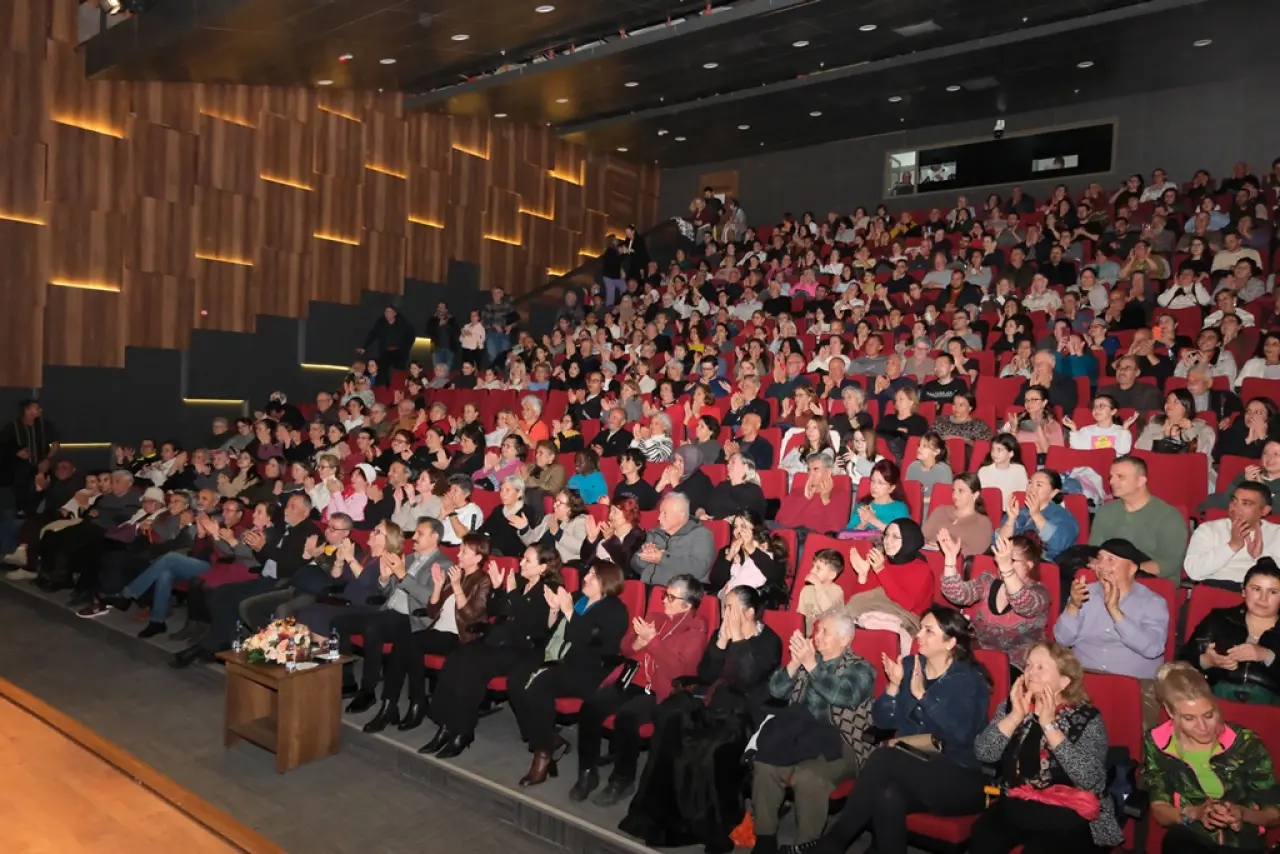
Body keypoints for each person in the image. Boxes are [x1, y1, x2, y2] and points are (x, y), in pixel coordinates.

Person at [809, 608, 992, 854]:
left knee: (885, 757)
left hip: (959, 776)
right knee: (888, 794)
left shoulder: (969, 680)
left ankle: (833, 842)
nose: (918, 635)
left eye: (928, 631)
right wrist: (893, 687)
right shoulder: (910, 665)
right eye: (921, 628)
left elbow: (962, 735)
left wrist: (923, 697)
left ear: (950, 643)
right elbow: (883, 722)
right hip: (911, 766)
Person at [617, 586, 782, 851]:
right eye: (725, 606)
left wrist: (739, 641)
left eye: (731, 607)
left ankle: (711, 823)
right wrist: (720, 643)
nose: (725, 612)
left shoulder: (769, 641)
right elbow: (705, 675)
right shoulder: (722, 632)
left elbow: (749, 679)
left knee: (710, 748)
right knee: (671, 720)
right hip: (714, 704)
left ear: (749, 612)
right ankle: (660, 813)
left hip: (744, 712)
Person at [969, 643, 1122, 853]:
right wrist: (1014, 717)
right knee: (983, 836)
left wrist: (1049, 726)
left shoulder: (1086, 718)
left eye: (1041, 667)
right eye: (1029, 665)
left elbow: (1090, 780)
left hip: (1070, 812)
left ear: (1064, 681)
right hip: (1020, 803)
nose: (1031, 672)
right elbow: (984, 753)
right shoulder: (1013, 705)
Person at [569, 575, 708, 806]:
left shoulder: (694, 632)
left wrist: (652, 642)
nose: (664, 600)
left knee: (627, 717)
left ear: (687, 605)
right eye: (665, 594)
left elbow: (676, 670)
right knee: (591, 706)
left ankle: (622, 780)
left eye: (671, 597)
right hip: (631, 680)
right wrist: (637, 644)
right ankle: (587, 772)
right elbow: (624, 647)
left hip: (660, 690)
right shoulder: (655, 618)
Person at [418, 544, 560, 759]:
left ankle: (463, 732)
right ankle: (446, 725)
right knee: (456, 658)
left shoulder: (551, 590)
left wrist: (512, 593)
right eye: (522, 558)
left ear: (543, 567)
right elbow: (495, 611)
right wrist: (497, 589)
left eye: (527, 560)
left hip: (522, 649)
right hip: (498, 640)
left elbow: (534, 626)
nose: (521, 563)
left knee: (473, 668)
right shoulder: (519, 581)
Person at [750, 611, 877, 853]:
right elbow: (775, 691)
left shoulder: (861, 668)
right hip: (801, 735)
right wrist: (794, 663)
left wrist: (811, 665)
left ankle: (806, 845)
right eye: (817, 630)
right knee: (765, 764)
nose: (817, 636)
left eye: (825, 632)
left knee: (809, 778)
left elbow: (844, 696)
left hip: (842, 741)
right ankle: (765, 837)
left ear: (845, 639)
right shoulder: (809, 660)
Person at [508, 560, 629, 786]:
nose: (586, 578)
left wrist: (568, 611)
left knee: (539, 684)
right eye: (588, 573)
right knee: (516, 679)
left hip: (588, 669)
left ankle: (543, 755)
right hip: (558, 657)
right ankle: (548, 738)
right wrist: (555, 610)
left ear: (607, 582)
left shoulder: (615, 610)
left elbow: (589, 640)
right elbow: (551, 630)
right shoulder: (578, 598)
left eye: (593, 576)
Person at [1144, 662, 1280, 853]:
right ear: (1170, 711)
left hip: (1241, 841)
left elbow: (1274, 814)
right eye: (1189, 718)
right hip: (1190, 838)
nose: (1202, 727)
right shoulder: (1158, 742)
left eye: (1208, 715)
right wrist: (1194, 813)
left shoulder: (1244, 742)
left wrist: (1243, 814)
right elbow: (1159, 808)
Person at [1055, 539, 1169, 722]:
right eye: (1100, 559)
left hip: (1134, 686)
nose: (1102, 566)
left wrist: (1115, 611)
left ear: (1132, 569)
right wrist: (1073, 607)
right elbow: (1062, 640)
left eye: (1111, 559)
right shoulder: (1083, 593)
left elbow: (1153, 648)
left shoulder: (1152, 602)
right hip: (1084, 680)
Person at [1180, 557, 1280, 704]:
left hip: (1272, 704)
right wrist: (1207, 661)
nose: (1263, 599)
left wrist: (1266, 656)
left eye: (1273, 592)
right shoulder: (1220, 618)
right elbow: (1181, 661)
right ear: (1244, 591)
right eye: (1256, 589)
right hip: (1217, 699)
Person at [1090, 456, 1188, 582]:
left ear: (1140, 481)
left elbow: (1167, 565)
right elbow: (1093, 552)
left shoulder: (1169, 517)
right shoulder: (1105, 511)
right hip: (1109, 578)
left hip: (1152, 583)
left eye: (1120, 477)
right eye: (1111, 477)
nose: (1112, 482)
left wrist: (1125, 571)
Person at [1185, 483, 1280, 588]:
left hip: (1262, 591)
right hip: (1218, 588)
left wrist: (1260, 557)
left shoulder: (1277, 533)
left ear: (1265, 510)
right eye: (1234, 500)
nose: (1235, 508)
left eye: (1246, 503)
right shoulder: (1209, 529)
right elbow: (1193, 572)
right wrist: (1232, 546)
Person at [996, 469, 1079, 562]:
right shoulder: (1017, 511)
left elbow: (1059, 544)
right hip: (1009, 561)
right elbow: (999, 544)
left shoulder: (1063, 516)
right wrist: (1011, 520)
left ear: (1053, 493)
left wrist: (1037, 516)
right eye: (1030, 483)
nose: (1031, 488)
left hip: (1044, 564)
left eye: (1039, 485)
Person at [631, 492, 716, 585]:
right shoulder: (655, 533)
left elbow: (698, 569)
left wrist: (662, 559)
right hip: (648, 587)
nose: (659, 518)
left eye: (665, 513)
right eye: (660, 513)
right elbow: (635, 565)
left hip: (679, 591)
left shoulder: (701, 535)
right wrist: (644, 557)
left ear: (681, 516)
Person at [707, 510, 787, 605]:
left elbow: (776, 576)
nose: (738, 531)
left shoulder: (766, 548)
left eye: (743, 527)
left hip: (758, 603)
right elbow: (715, 582)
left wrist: (751, 549)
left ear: (756, 530)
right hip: (728, 601)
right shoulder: (728, 551)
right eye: (735, 527)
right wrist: (729, 557)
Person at [776, 454, 851, 535]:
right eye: (809, 470)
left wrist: (826, 501)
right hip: (788, 534)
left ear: (828, 472)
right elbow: (780, 520)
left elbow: (837, 529)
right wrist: (804, 499)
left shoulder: (839, 495)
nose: (811, 474)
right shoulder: (798, 491)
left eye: (816, 469)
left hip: (813, 538)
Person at [923, 473, 994, 557]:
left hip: (956, 563)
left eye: (961, 491)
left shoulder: (982, 522)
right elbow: (922, 537)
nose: (955, 495)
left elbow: (976, 553)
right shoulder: (940, 511)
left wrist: (946, 548)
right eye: (954, 490)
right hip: (927, 558)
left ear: (975, 495)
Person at [1135, 389, 1217, 458]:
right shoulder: (1155, 423)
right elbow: (1140, 448)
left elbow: (1204, 452)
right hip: (1159, 466)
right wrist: (1164, 436)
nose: (1169, 404)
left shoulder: (1202, 427)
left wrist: (1190, 430)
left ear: (1187, 406)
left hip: (1189, 469)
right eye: (1168, 401)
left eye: (1176, 402)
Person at [519, 488, 589, 565]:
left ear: (570, 507)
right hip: (539, 561)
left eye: (559, 503)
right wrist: (524, 529)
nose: (554, 505)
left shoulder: (580, 521)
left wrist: (558, 533)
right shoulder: (548, 518)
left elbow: (581, 548)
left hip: (559, 565)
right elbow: (531, 543)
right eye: (555, 501)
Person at [846, 459, 910, 535]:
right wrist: (862, 525)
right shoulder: (863, 506)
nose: (874, 486)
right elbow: (846, 535)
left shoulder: (900, 508)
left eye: (880, 483)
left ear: (892, 488)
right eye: (873, 481)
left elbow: (902, 536)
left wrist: (873, 520)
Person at [700, 452, 766, 520]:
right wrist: (700, 512)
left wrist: (714, 519)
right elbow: (706, 505)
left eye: (733, 462)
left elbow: (745, 518)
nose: (728, 465)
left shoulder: (753, 490)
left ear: (746, 467)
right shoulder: (723, 486)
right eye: (728, 463)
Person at [1064, 394, 1136, 454]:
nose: (1097, 409)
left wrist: (1125, 428)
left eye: (1102, 406)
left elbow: (1123, 451)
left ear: (1113, 411)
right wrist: (1073, 429)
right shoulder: (1086, 430)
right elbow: (1077, 451)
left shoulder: (1121, 431)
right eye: (1095, 406)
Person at [906, 432, 954, 513]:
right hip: (912, 507)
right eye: (919, 445)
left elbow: (942, 499)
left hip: (934, 511)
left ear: (936, 452)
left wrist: (918, 500)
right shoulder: (913, 467)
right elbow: (907, 492)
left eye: (924, 446)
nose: (919, 449)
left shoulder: (943, 470)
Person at [978, 434, 1030, 507]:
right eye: (993, 449)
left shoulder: (1019, 470)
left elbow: (1023, 494)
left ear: (1011, 453)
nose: (994, 453)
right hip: (990, 509)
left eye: (999, 450)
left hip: (1014, 509)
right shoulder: (984, 471)